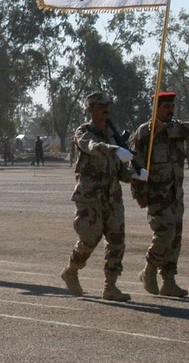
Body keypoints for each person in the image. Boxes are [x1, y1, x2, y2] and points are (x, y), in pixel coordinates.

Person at [60, 92, 148, 301]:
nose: (105, 109)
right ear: (90, 108)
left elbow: (118, 170)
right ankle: (71, 270)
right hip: (90, 196)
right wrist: (114, 149)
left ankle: (110, 285)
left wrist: (134, 174)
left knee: (117, 240)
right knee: (90, 239)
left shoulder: (111, 133)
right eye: (100, 106)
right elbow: (90, 147)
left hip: (112, 195)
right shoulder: (84, 131)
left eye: (106, 105)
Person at [129, 91, 189, 297]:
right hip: (156, 193)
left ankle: (169, 280)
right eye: (165, 107)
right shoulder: (144, 132)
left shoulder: (176, 128)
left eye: (171, 107)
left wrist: (166, 128)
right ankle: (149, 270)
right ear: (156, 109)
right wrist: (139, 193)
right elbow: (135, 165)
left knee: (175, 237)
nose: (170, 110)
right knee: (165, 232)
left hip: (176, 193)